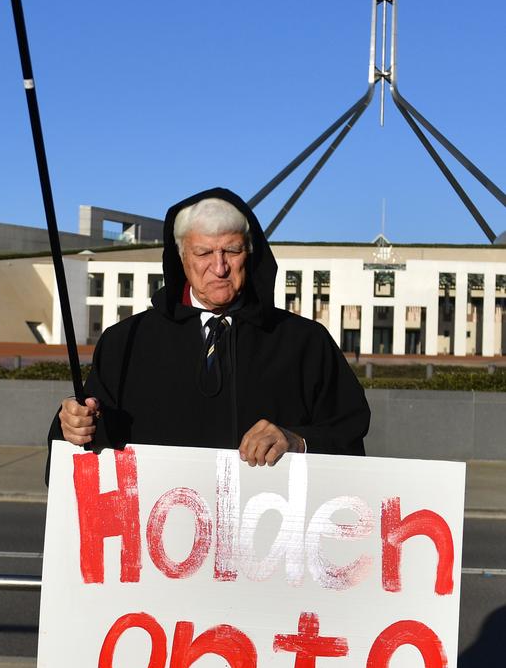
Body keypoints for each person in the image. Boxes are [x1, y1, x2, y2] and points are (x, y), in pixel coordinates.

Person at [49, 187, 370, 467]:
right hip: (157, 532)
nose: (219, 267)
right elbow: (91, 438)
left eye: (232, 250)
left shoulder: (305, 343)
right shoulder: (126, 342)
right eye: (203, 252)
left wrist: (298, 441)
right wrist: (74, 425)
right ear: (180, 257)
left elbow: (348, 437)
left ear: (251, 252)